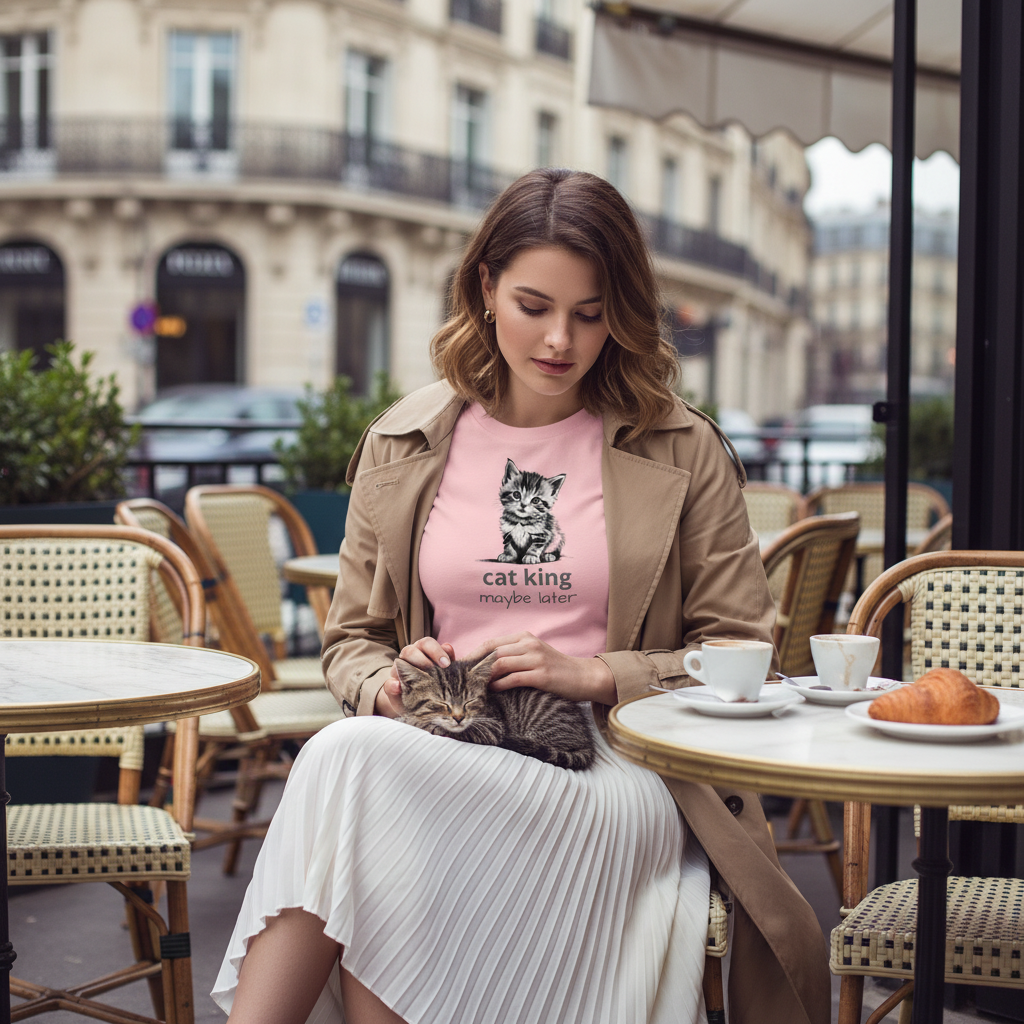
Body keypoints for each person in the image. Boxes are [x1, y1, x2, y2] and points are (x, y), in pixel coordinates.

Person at [213, 168, 830, 1024]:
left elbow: (744, 656)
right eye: (534, 305)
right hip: (446, 741)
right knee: (359, 765)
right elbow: (350, 640)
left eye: (590, 312)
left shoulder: (683, 449)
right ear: (484, 287)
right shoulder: (405, 440)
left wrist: (598, 673)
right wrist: (385, 683)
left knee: (347, 765)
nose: (559, 341)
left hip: (617, 772)